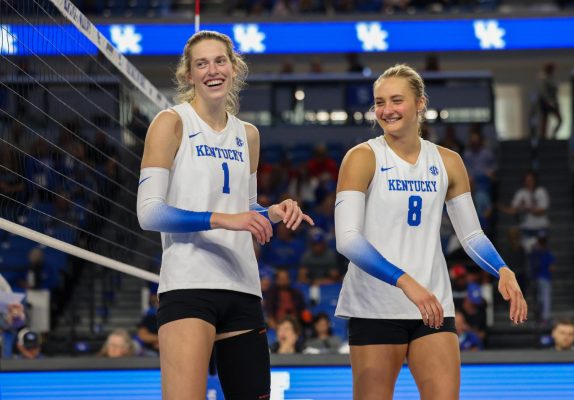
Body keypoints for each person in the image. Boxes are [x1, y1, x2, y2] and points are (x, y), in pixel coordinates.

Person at [136, 30, 313, 400]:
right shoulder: (172, 123)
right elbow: (149, 212)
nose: (212, 70)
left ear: (234, 68)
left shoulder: (247, 134)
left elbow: (245, 209)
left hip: (243, 288)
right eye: (202, 63)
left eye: (220, 61)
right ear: (188, 75)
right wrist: (220, 218)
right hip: (188, 285)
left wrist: (274, 213)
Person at [334, 63, 527, 400]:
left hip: (433, 304)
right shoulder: (362, 157)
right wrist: (406, 281)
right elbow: (347, 239)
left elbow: (471, 235)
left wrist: (503, 268)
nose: (387, 110)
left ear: (420, 103)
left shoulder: (448, 161)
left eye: (397, 100)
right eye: (380, 102)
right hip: (375, 306)